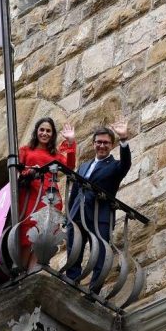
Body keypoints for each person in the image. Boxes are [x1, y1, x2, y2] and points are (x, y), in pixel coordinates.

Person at [65, 118, 131, 291]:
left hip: (99, 215)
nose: (102, 146)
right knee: (74, 249)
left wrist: (123, 139)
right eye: (99, 142)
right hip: (77, 213)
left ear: (112, 145)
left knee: (100, 252)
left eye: (106, 143)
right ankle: (71, 283)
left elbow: (126, 164)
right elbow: (75, 191)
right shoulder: (84, 166)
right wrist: (69, 215)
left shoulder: (115, 166)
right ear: (94, 144)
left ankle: (93, 290)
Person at [18, 117, 76, 269]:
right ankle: (21, 271)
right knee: (28, 231)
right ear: (36, 131)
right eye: (42, 130)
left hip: (50, 196)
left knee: (44, 235)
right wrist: (30, 170)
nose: (44, 133)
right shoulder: (25, 150)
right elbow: (17, 171)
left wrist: (71, 142)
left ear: (53, 134)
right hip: (30, 195)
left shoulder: (55, 155)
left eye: (48, 131)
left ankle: (34, 271)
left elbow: (69, 167)